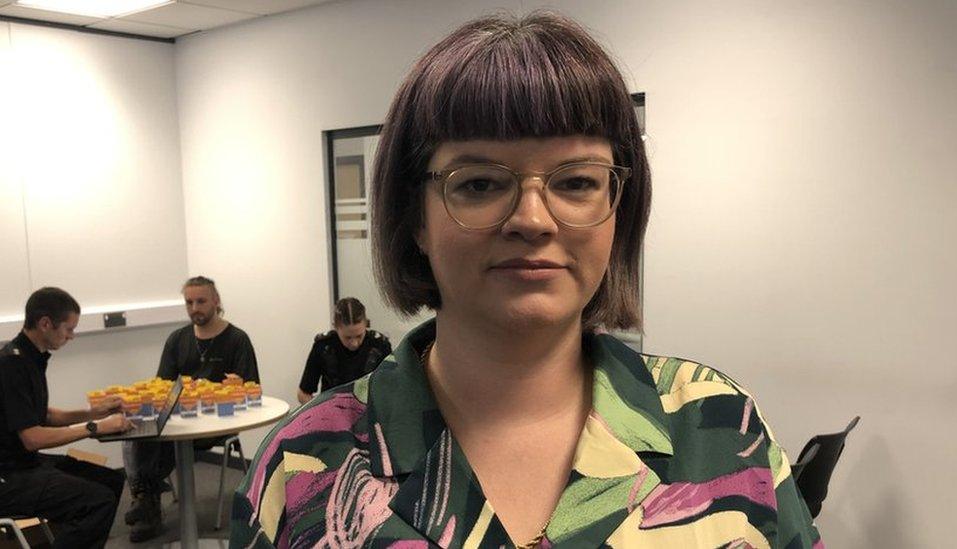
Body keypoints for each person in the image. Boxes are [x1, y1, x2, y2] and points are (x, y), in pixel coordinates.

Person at [232, 12, 823, 548]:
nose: (534, 220)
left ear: (620, 208)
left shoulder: (718, 425)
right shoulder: (305, 460)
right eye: (481, 183)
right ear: (415, 216)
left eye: (577, 182)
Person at [124, 276, 259, 542]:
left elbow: (252, 388)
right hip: (180, 418)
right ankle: (147, 499)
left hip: (218, 423)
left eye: (201, 301)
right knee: (137, 431)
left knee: (154, 440)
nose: (194, 307)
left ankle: (146, 500)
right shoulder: (177, 339)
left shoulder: (237, 339)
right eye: (189, 302)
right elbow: (162, 385)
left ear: (216, 301)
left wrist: (238, 386)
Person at [0, 287, 132, 548]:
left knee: (112, 480)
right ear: (45, 324)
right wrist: (95, 426)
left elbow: (42, 414)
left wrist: (92, 412)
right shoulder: (12, 364)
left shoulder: (30, 356)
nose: (72, 336)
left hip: (23, 464)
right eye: (68, 329)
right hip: (9, 475)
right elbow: (32, 438)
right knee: (98, 501)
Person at [297, 297, 392, 404]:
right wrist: (320, 412)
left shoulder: (380, 345)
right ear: (335, 328)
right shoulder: (323, 346)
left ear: (366, 324)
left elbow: (391, 390)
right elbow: (303, 394)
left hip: (370, 413)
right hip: (332, 412)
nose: (354, 343)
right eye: (347, 337)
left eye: (359, 336)